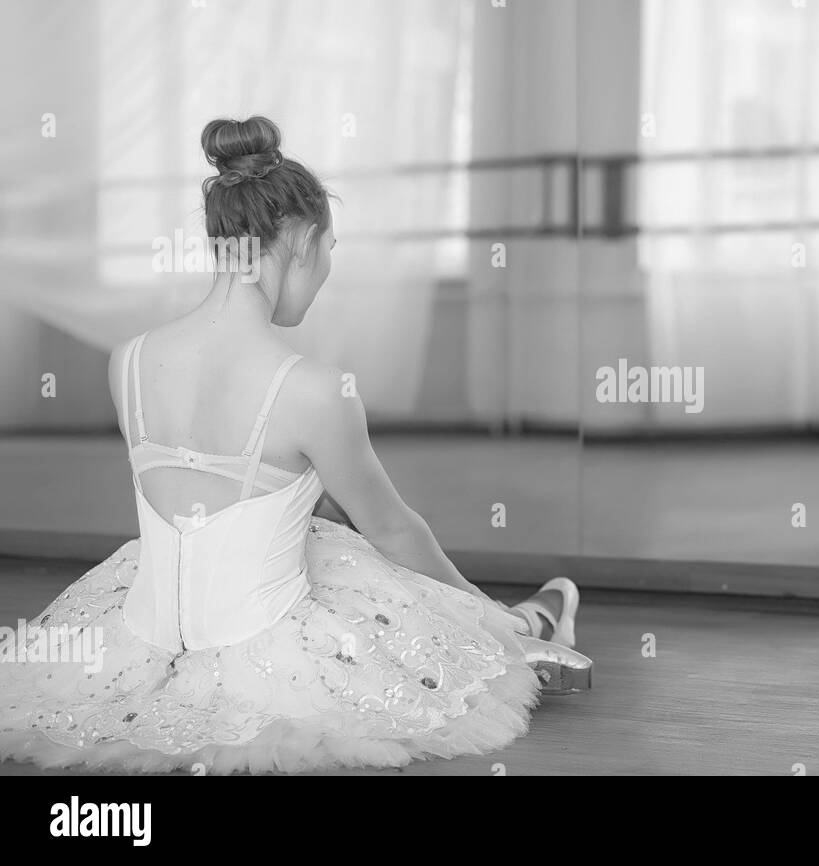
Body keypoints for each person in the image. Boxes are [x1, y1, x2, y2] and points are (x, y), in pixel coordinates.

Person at [0, 116, 589, 774]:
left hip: (141, 638)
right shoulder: (313, 390)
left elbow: (225, 493)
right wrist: (481, 612)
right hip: (268, 654)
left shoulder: (128, 362)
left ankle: (528, 624)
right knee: (376, 562)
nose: (328, 269)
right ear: (303, 240)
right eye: (330, 248)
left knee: (329, 536)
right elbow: (395, 530)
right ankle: (523, 628)